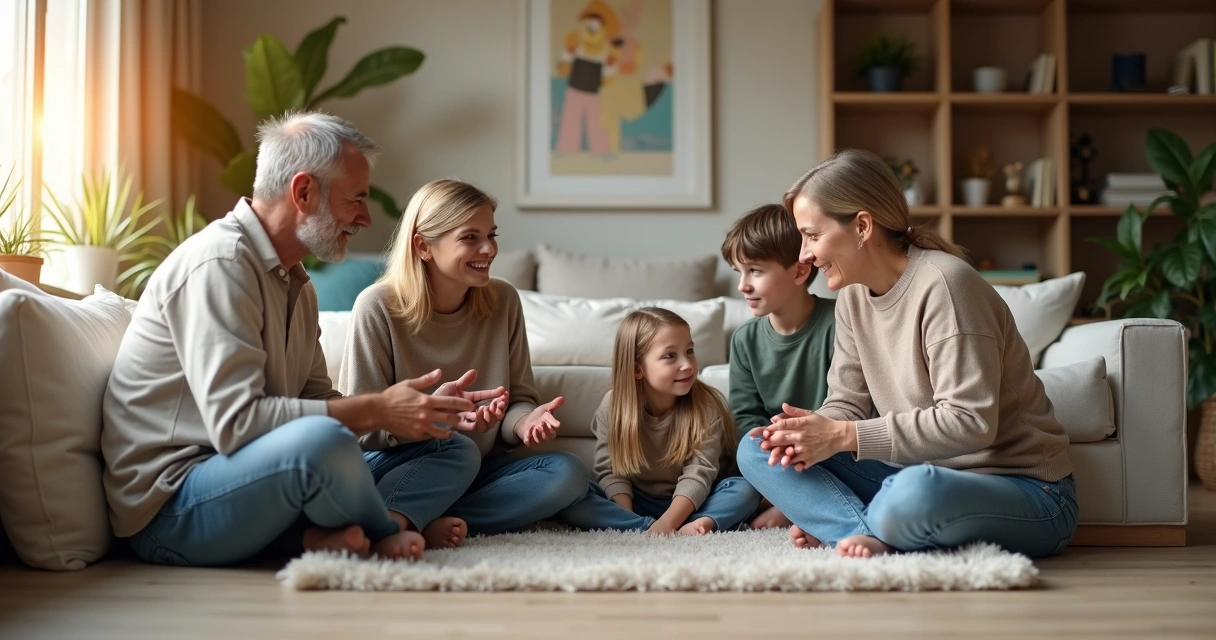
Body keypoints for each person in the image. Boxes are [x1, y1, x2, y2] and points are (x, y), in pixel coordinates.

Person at [101, 112, 490, 566]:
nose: (365, 218)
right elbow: (238, 424)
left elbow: (318, 398)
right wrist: (378, 408)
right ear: (303, 192)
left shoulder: (296, 283)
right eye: (355, 200)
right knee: (323, 441)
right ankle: (380, 532)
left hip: (259, 477)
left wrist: (412, 416)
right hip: (174, 507)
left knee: (451, 448)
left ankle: (323, 536)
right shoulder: (220, 265)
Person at [737, 148, 1077, 559]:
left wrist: (844, 437)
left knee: (915, 491)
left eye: (811, 236)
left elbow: (971, 423)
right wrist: (810, 432)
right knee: (758, 449)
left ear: (862, 226)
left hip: (1027, 491)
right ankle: (870, 534)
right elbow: (848, 401)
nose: (804, 255)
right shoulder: (853, 296)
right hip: (915, 474)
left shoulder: (947, 285)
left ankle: (862, 527)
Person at [339, 178, 588, 545]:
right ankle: (386, 528)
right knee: (457, 446)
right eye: (470, 237)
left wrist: (523, 423)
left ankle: (415, 518)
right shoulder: (377, 306)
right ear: (424, 246)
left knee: (568, 473)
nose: (488, 249)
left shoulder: (503, 301)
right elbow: (358, 428)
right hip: (397, 465)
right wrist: (427, 418)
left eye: (492, 234)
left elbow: (518, 397)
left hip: (471, 467)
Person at [560, 307, 760, 535]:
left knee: (744, 490)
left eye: (690, 351)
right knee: (572, 498)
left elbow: (699, 473)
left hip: (696, 500)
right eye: (670, 356)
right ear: (637, 369)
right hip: (636, 502)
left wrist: (667, 523)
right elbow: (611, 471)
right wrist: (627, 516)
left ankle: (700, 522)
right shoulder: (613, 406)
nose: (687, 364)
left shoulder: (706, 405)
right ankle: (639, 526)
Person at [720, 204, 835, 531]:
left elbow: (850, 408)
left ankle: (792, 507)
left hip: (830, 449)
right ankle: (791, 501)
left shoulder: (840, 324)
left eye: (755, 271)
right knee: (747, 450)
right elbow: (746, 417)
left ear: (799, 272)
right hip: (774, 456)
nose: (743, 285)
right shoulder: (745, 340)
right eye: (738, 272)